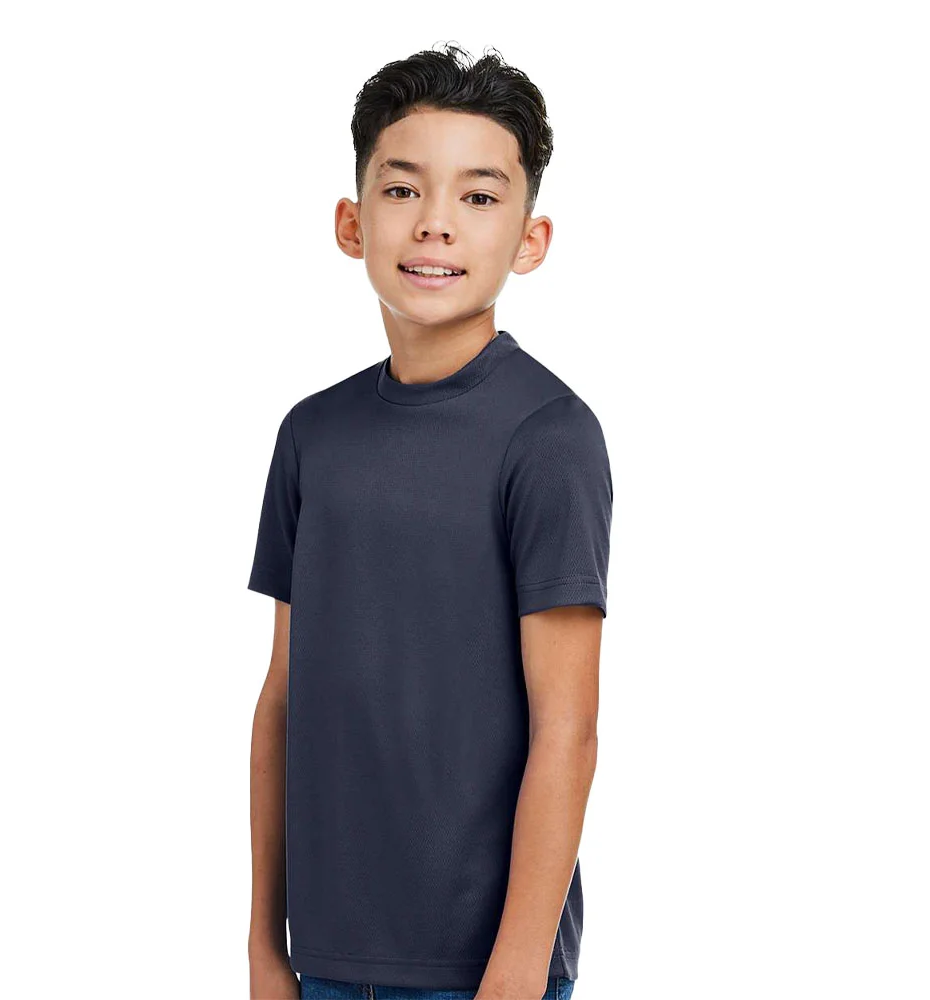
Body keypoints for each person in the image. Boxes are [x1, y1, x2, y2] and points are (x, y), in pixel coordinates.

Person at [247, 43, 612, 1000]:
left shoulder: (550, 436)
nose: (436, 223)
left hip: (479, 970)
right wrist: (264, 947)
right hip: (324, 961)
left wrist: (516, 975)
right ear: (352, 221)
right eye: (404, 189)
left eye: (480, 197)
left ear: (530, 239)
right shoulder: (311, 435)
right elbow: (284, 699)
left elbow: (567, 728)